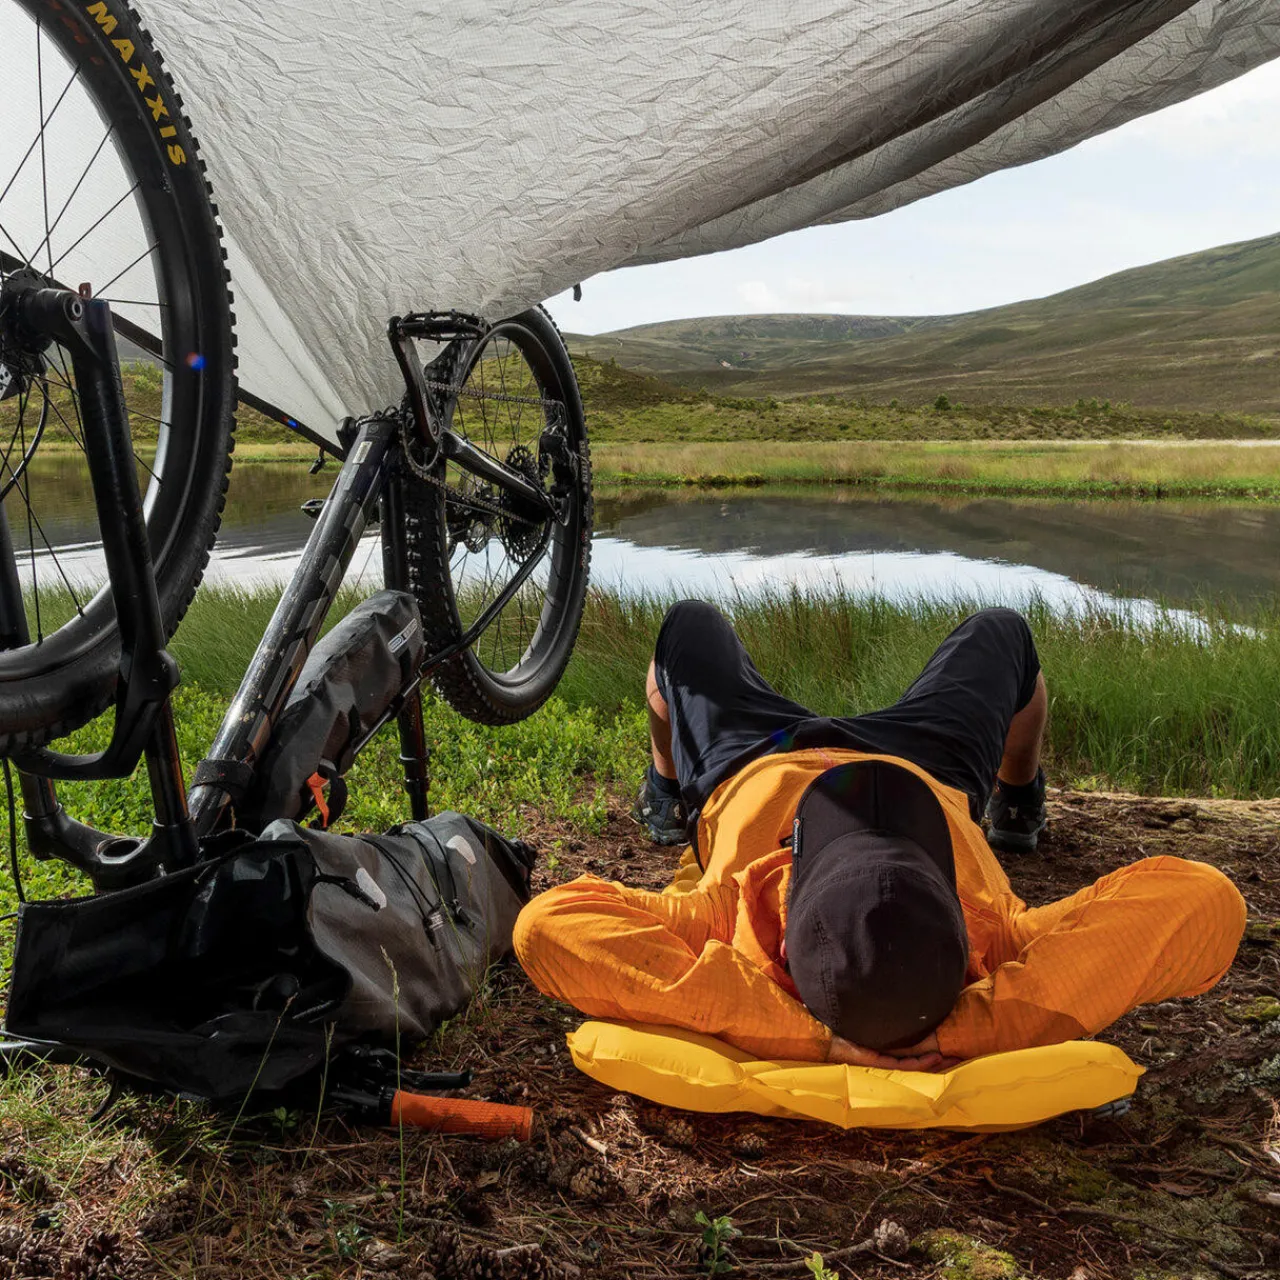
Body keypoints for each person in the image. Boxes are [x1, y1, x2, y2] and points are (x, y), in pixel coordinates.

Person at [514, 602, 1246, 1070]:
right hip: (921, 765)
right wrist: (967, 1032)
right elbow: (1205, 898)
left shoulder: (728, 914)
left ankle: (665, 788)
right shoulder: (997, 939)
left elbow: (549, 926)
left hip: (757, 758)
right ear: (952, 911)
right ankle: (1017, 803)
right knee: (1003, 634)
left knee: (687, 628)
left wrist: (809, 1039)